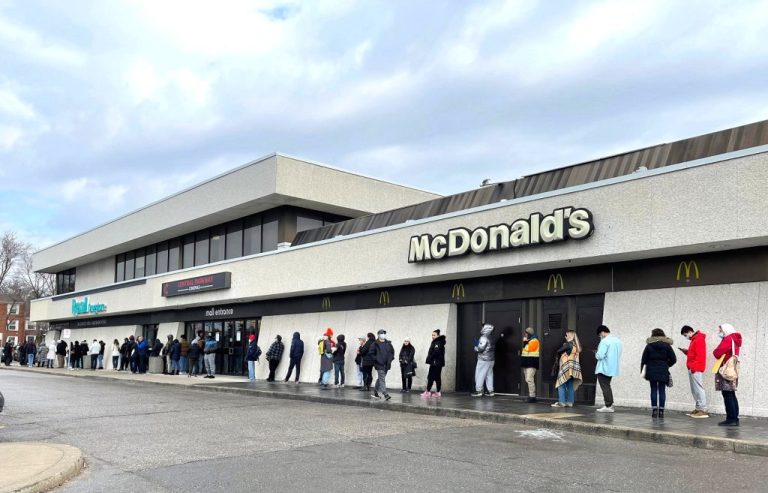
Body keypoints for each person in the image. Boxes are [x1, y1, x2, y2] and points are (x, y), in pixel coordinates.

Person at [640, 328, 676, 419]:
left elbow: (643, 359)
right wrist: (667, 365)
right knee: (662, 390)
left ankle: (654, 410)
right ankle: (661, 412)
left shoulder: (649, 346)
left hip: (651, 370)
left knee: (653, 389)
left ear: (653, 335)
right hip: (663, 370)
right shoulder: (667, 345)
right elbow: (674, 359)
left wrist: (642, 371)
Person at [713, 323, 742, 426]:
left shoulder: (728, 339)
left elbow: (717, 353)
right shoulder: (735, 339)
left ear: (726, 330)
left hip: (726, 370)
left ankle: (731, 419)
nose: (719, 332)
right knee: (731, 394)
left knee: (727, 394)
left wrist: (715, 350)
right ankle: (735, 418)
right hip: (732, 370)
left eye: (720, 330)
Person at [679, 325, 708, 418]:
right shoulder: (694, 340)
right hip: (693, 367)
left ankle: (702, 409)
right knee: (694, 389)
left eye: (685, 335)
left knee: (698, 388)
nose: (685, 337)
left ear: (690, 332)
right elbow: (694, 353)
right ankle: (698, 408)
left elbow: (700, 355)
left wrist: (694, 367)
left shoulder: (698, 339)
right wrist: (686, 352)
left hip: (696, 368)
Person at [595, 325, 623, 413]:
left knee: (605, 387)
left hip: (603, 367)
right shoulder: (618, 341)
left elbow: (600, 355)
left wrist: (596, 353)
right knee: (607, 385)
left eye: (600, 335)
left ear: (602, 332)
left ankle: (609, 405)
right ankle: (609, 405)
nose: (600, 337)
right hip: (612, 367)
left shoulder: (604, 341)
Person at [552, 329, 582, 408]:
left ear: (569, 335)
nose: (565, 336)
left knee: (560, 383)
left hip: (566, 366)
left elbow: (558, 351)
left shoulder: (568, 344)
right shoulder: (576, 345)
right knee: (570, 385)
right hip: (573, 368)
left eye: (566, 335)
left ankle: (562, 402)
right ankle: (570, 402)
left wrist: (565, 343)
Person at [368, 329, 395, 400]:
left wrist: (391, 359)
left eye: (384, 333)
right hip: (379, 364)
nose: (383, 335)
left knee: (380, 378)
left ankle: (375, 392)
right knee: (382, 378)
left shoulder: (388, 343)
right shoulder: (375, 344)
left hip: (387, 364)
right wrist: (377, 359)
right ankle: (385, 393)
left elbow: (392, 352)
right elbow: (371, 353)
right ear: (379, 335)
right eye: (382, 333)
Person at [471, 324, 496, 397]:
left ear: (486, 329)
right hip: (491, 359)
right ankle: (490, 391)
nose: (482, 328)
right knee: (489, 374)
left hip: (483, 359)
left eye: (483, 327)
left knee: (480, 374)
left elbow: (480, 349)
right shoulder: (492, 337)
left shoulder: (483, 337)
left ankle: (479, 391)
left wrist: (475, 347)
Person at [422, 330, 446, 398]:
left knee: (431, 377)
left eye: (434, 335)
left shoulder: (437, 343)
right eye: (432, 335)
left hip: (435, 363)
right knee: (437, 377)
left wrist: (429, 358)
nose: (432, 336)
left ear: (438, 335)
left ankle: (428, 392)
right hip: (438, 363)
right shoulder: (438, 342)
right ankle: (438, 392)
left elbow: (435, 352)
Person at [521, 327, 540, 403]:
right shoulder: (529, 340)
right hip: (526, 363)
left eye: (526, 333)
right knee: (527, 379)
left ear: (529, 333)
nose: (525, 335)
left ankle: (532, 396)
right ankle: (531, 395)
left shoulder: (535, 341)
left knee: (529, 379)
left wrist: (525, 342)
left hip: (532, 363)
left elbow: (528, 349)